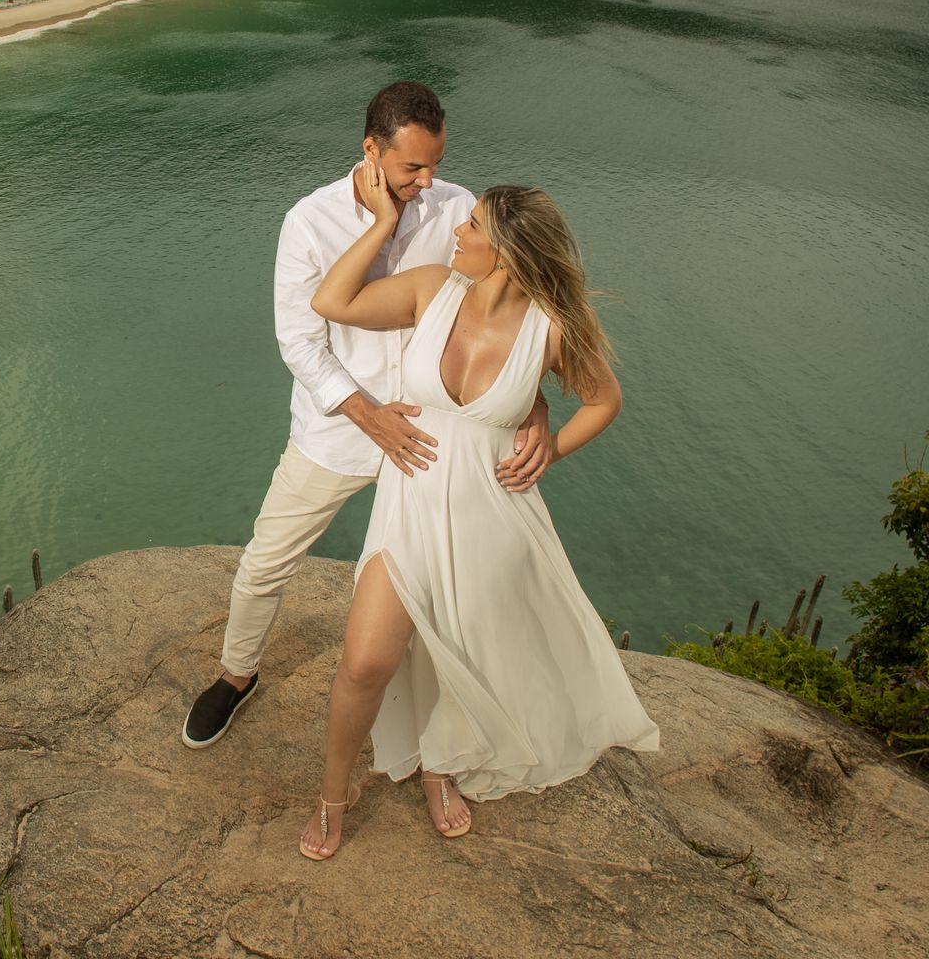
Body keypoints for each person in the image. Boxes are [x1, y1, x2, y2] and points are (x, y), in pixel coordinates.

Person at [181, 82, 555, 751]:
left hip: (432, 435)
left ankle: (436, 719)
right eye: (413, 167)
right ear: (371, 150)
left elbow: (502, 311)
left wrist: (535, 406)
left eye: (435, 164)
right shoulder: (309, 220)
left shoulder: (457, 211)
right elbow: (299, 338)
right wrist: (366, 413)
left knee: (438, 584)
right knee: (265, 562)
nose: (428, 180)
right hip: (334, 432)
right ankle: (236, 677)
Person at [295, 179, 659, 860]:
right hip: (410, 504)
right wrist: (379, 223)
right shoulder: (430, 289)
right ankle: (332, 794)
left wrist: (549, 447)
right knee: (366, 661)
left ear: (509, 254)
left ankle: (440, 768)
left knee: (464, 655)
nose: (456, 233)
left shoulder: (552, 329)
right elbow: (330, 302)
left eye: (472, 227)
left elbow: (603, 400)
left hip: (493, 516)